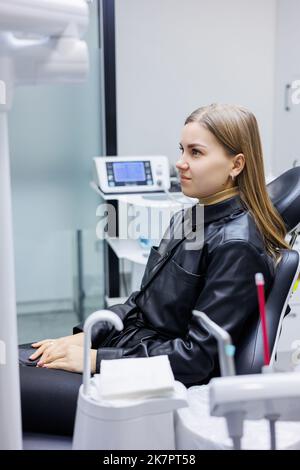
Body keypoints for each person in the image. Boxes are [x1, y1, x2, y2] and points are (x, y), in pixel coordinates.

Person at [19, 103, 289, 435]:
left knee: (9, 386)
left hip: (158, 384)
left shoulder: (237, 246)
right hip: (130, 354)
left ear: (236, 164)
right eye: (181, 149)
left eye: (196, 152)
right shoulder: (188, 217)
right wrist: (83, 339)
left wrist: (95, 360)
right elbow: (140, 302)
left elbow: (196, 359)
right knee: (16, 362)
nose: (181, 162)